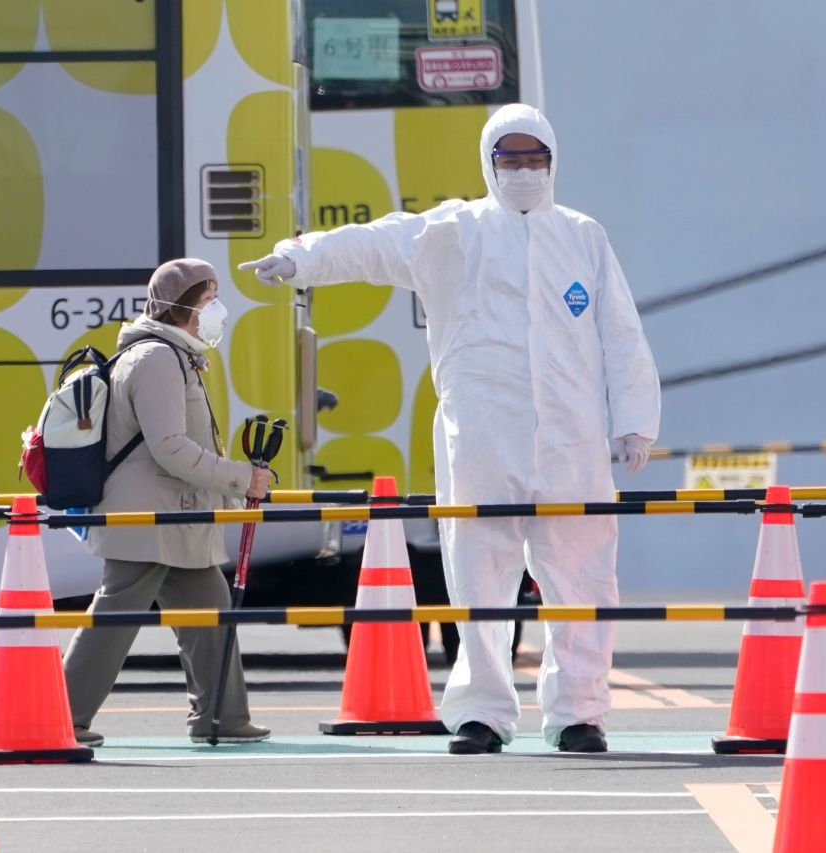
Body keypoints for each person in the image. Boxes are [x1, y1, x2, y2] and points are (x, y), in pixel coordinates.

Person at [239, 104, 660, 754]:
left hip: (571, 444)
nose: (523, 170)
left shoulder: (583, 236)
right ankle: (482, 713)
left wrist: (635, 418)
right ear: (488, 162)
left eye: (534, 158)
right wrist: (301, 258)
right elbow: (375, 242)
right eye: (509, 158)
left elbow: (621, 331)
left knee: (582, 579)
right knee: (479, 579)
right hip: (483, 440)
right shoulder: (453, 231)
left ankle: (579, 713)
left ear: (553, 160)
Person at [62, 258, 273, 746]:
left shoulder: (173, 354)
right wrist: (242, 479)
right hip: (150, 518)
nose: (217, 309)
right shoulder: (157, 358)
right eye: (207, 300)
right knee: (114, 619)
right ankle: (62, 716)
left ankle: (222, 716)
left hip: (174, 516)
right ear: (179, 307)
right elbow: (170, 447)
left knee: (210, 612)